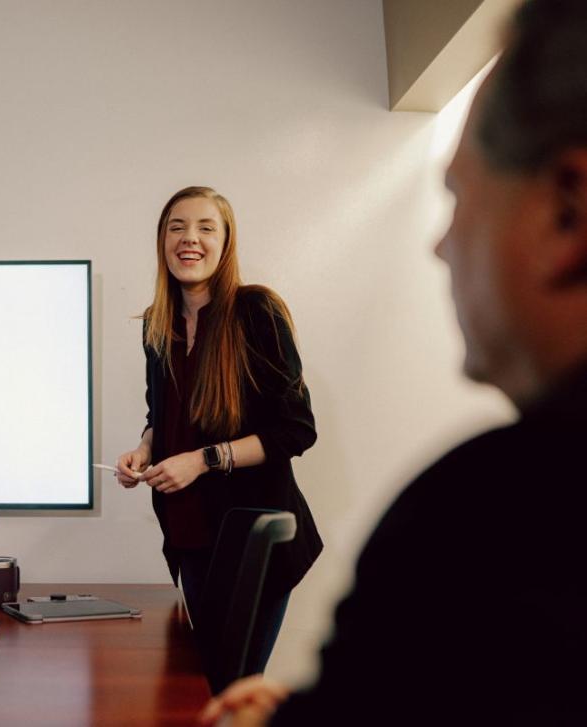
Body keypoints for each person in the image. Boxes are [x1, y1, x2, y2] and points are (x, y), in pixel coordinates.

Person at [198, 1, 587, 724]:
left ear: (566, 210)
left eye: (459, 196)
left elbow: (293, 426)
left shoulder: (493, 515)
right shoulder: (165, 332)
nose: (440, 245)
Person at [114, 186, 321, 680]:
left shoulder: (257, 312)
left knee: (228, 691)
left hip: (254, 544)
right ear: (162, 241)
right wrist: (144, 449)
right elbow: (161, 412)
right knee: (201, 689)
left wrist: (201, 460)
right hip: (189, 538)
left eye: (206, 227)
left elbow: (296, 429)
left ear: (225, 243)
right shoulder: (156, 326)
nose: (190, 239)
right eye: (176, 227)